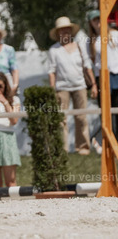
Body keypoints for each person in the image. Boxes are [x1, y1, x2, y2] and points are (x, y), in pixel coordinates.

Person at [48, 16, 97, 155]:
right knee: (61, 119)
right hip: (61, 88)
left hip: (80, 86)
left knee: (81, 117)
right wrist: (52, 89)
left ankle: (83, 147)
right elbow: (52, 71)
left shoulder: (80, 47)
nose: (65, 32)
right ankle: (62, 148)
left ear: (71, 31)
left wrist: (94, 84)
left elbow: (87, 66)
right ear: (58, 33)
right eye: (62, 30)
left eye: (67, 29)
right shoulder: (54, 50)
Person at [86, 9, 118, 142]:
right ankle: (111, 140)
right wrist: (93, 84)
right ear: (91, 23)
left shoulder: (115, 34)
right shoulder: (91, 41)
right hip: (103, 78)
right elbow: (91, 63)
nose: (98, 22)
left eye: (99, 18)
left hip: (117, 75)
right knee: (106, 111)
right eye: (94, 20)